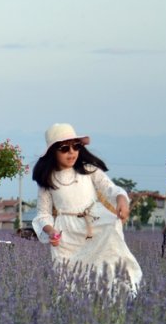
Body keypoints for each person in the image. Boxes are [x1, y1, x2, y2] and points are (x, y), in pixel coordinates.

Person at [31, 123, 142, 296]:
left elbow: (110, 189)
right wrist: (51, 231)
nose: (71, 152)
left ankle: (116, 305)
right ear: (53, 152)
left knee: (110, 263)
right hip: (67, 234)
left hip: (95, 223)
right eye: (64, 148)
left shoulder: (89, 170)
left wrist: (122, 200)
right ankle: (76, 314)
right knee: (69, 279)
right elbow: (43, 214)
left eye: (76, 146)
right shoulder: (48, 180)